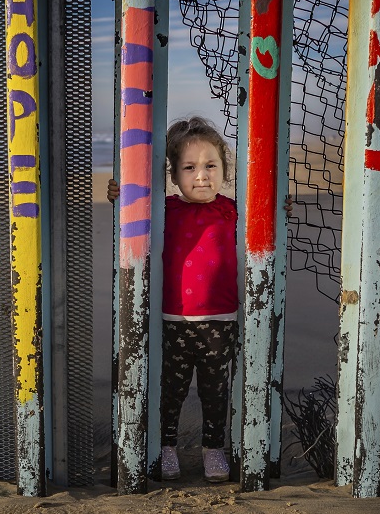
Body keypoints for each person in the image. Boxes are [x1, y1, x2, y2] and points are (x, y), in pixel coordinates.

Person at [108, 116, 291, 483]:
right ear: (174, 175)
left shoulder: (231, 211)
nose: (202, 175)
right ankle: (167, 447)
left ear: (225, 169)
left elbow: (266, 218)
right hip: (173, 321)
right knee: (170, 392)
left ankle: (213, 449)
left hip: (220, 321)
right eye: (189, 168)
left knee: (214, 392)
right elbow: (134, 205)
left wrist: (281, 211)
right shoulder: (165, 210)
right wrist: (120, 193)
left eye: (211, 166)